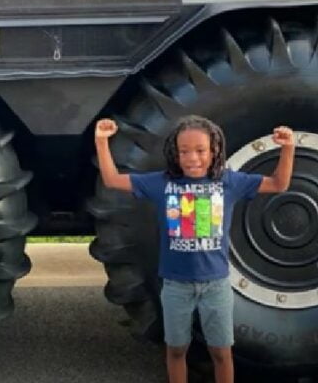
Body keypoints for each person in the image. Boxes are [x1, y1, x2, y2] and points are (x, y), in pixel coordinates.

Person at [94, 115, 295, 383]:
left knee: (221, 352)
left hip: (216, 285)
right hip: (176, 285)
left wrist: (288, 148)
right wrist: (101, 142)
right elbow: (112, 180)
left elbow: (278, 184)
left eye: (200, 151)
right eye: (184, 151)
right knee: (176, 349)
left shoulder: (229, 182)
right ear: (174, 154)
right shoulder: (162, 183)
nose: (192, 158)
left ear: (214, 152)